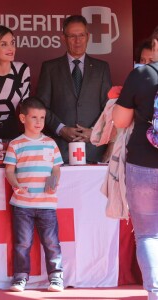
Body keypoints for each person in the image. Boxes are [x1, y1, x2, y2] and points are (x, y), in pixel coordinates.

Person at [112, 26, 158, 300]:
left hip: (142, 163)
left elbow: (120, 121)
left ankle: (155, 293)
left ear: (154, 44)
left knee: (148, 235)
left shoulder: (142, 74)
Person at [4, 97, 64, 292]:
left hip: (47, 204)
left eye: (42, 118)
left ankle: (56, 278)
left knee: (51, 242)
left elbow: (56, 169)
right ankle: (20, 278)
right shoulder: (15, 144)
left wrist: (53, 183)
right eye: (34, 117)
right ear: (23, 118)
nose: (39, 122)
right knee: (22, 243)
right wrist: (15, 184)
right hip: (22, 205)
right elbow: (9, 171)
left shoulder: (51, 143)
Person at [36, 15, 112, 163]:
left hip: (93, 149)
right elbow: (41, 107)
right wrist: (61, 129)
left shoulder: (102, 68)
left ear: (88, 36)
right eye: (72, 36)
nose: (78, 41)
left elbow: (108, 108)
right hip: (59, 150)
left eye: (81, 35)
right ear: (63, 38)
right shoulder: (50, 68)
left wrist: (93, 132)